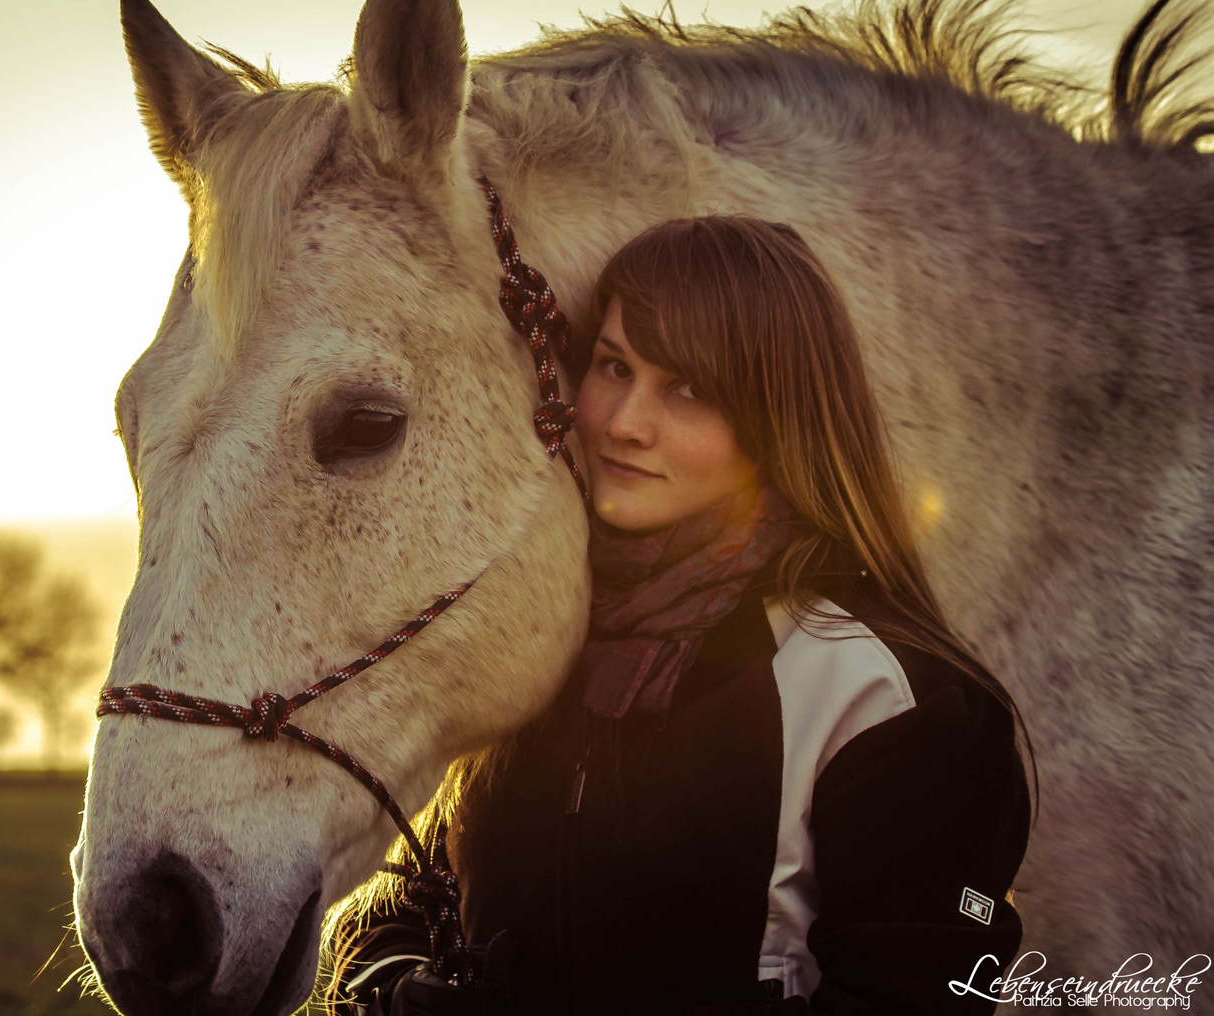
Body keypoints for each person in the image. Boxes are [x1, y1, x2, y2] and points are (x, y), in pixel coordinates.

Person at [329, 215, 1036, 1016]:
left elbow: (914, 993)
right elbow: (399, 891)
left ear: (774, 418)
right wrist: (389, 991)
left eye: (689, 389)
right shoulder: (533, 628)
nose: (625, 422)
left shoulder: (892, 694)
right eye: (613, 366)